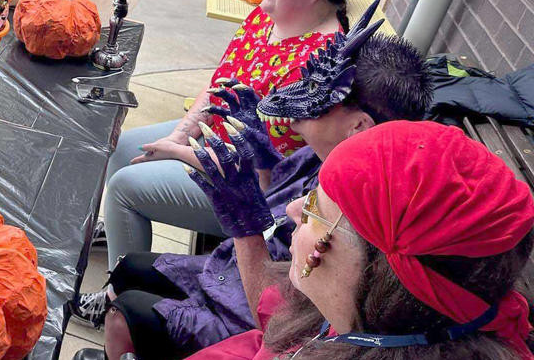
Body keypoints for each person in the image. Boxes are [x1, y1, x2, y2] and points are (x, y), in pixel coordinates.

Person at [70, 4, 432, 360]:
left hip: (268, 325)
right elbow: (272, 202)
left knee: (129, 312)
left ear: (359, 127)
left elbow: (276, 319)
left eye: (321, 100)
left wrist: (243, 222)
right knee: (130, 268)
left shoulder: (354, 224)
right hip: (241, 276)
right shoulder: (323, 157)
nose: (297, 108)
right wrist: (260, 159)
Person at [79, 0, 353, 286]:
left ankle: (120, 294)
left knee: (124, 187)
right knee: (121, 149)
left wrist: (180, 154)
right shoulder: (266, 16)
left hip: (249, 190)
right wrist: (179, 137)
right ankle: (121, 236)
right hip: (213, 142)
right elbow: (218, 85)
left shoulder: (317, 63)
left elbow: (260, 174)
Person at [185, 119, 534, 360]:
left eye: (312, 209)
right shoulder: (373, 316)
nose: (291, 209)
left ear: (379, 268)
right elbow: (275, 320)